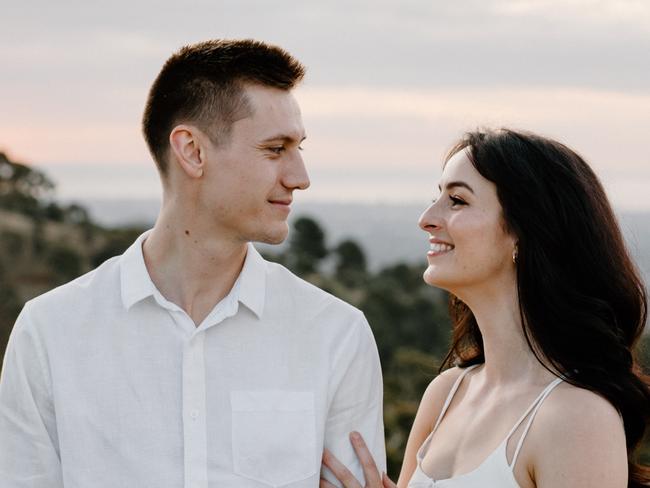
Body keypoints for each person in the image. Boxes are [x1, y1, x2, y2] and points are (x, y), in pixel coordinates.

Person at [0, 39, 386, 487]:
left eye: (299, 148)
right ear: (192, 151)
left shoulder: (337, 335)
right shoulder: (50, 332)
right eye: (276, 149)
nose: (300, 177)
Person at [322, 129, 650, 488]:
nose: (427, 218)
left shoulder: (577, 418)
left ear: (523, 234)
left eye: (458, 200)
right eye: (438, 197)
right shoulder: (446, 394)